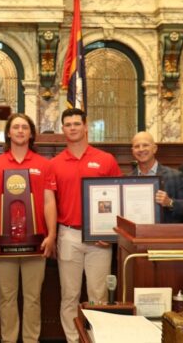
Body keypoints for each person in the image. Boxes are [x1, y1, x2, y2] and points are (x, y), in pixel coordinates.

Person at [0, 113, 57, 343]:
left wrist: (52, 235)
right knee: (7, 297)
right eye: (16, 127)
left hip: (37, 243)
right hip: (3, 243)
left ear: (31, 133)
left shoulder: (44, 165)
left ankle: (31, 340)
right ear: (9, 133)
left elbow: (49, 201)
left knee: (33, 298)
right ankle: (9, 339)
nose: (20, 131)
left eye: (25, 127)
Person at [48, 108, 119, 343]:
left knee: (98, 296)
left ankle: (96, 338)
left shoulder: (105, 159)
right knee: (70, 295)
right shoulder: (55, 164)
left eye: (77, 123)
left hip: (99, 238)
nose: (72, 128)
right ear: (63, 129)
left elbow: (117, 199)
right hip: (68, 235)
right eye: (67, 124)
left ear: (86, 126)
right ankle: (73, 340)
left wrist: (111, 235)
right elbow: (49, 203)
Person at [130, 131, 183, 223]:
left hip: (166, 235)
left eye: (145, 145)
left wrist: (170, 202)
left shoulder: (175, 176)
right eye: (137, 146)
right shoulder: (127, 180)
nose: (141, 149)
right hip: (136, 234)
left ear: (154, 149)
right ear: (132, 151)